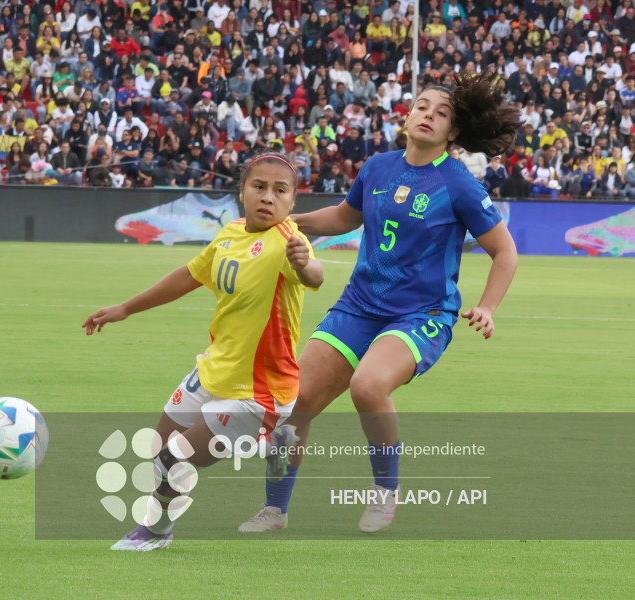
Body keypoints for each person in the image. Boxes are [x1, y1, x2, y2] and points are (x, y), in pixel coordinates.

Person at [239, 70, 520, 534]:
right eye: (423, 107)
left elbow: (504, 251)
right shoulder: (377, 167)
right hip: (358, 307)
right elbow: (345, 217)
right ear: (407, 116)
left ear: (454, 133)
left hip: (421, 314)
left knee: (368, 386)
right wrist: (289, 222)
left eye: (442, 113)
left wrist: (487, 307)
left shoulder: (459, 184)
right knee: (294, 403)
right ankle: (275, 509)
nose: (429, 115)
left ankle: (386, 493)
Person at [82, 150, 324, 551]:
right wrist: (125, 308)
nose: (268, 197)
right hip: (213, 372)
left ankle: (156, 532)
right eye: (259, 187)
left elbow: (313, 276)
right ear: (241, 193)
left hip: (259, 393)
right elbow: (189, 276)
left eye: (280, 191)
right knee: (157, 451)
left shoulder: (289, 243)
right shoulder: (230, 233)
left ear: (293, 202)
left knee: (173, 460)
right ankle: (266, 442)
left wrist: (304, 265)